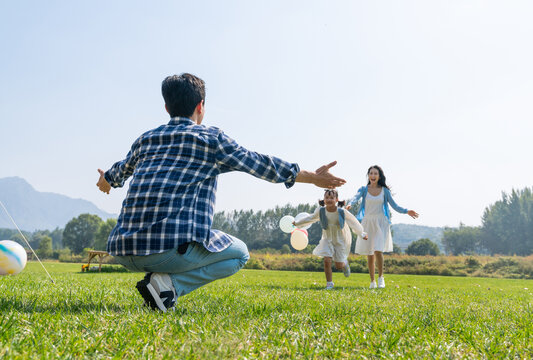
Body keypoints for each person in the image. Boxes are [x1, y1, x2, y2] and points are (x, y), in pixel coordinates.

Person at [96, 73, 346, 312]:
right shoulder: (210, 139)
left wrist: (106, 180)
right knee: (239, 253)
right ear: (201, 106)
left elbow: (117, 172)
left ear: (166, 108)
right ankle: (168, 288)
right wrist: (313, 178)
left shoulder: (146, 140)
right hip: (165, 252)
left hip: (123, 249)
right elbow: (261, 164)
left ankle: (160, 285)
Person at [346, 165, 418, 289]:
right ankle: (372, 281)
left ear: (379, 176)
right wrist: (350, 204)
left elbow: (394, 206)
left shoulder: (385, 191)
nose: (373, 176)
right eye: (371, 173)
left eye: (375, 173)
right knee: (370, 252)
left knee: (378, 250)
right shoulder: (363, 189)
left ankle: (381, 278)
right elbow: (355, 198)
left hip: (381, 223)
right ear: (368, 176)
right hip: (367, 222)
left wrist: (406, 211)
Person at [293, 189, 367, 290]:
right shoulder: (321, 211)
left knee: (338, 266)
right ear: (324, 199)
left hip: (340, 238)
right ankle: (329, 284)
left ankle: (344, 263)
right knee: (327, 260)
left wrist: (362, 233)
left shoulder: (341, 211)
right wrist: (297, 223)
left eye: (331, 198)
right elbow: (310, 218)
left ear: (336, 199)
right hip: (327, 238)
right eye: (326, 197)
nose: (329, 200)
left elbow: (353, 222)